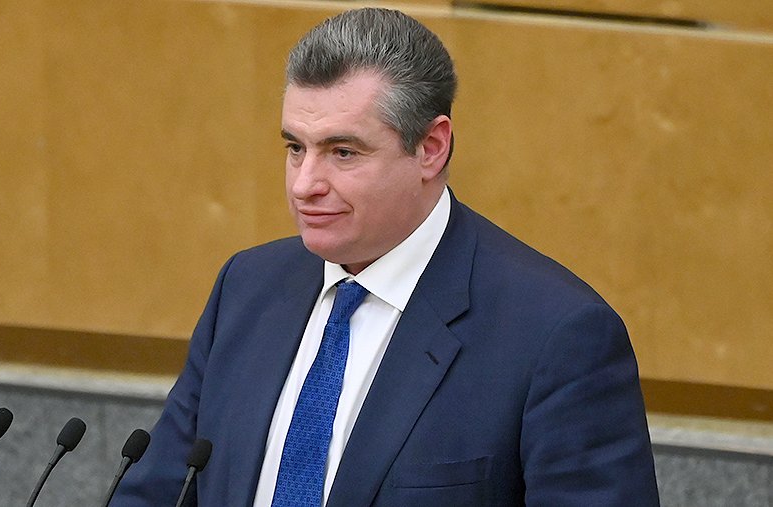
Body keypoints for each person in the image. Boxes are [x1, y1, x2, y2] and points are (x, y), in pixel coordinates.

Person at [112, 7, 659, 507]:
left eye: (342, 152)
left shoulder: (556, 336)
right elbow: (158, 492)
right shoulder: (247, 286)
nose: (304, 185)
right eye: (296, 148)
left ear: (430, 148)